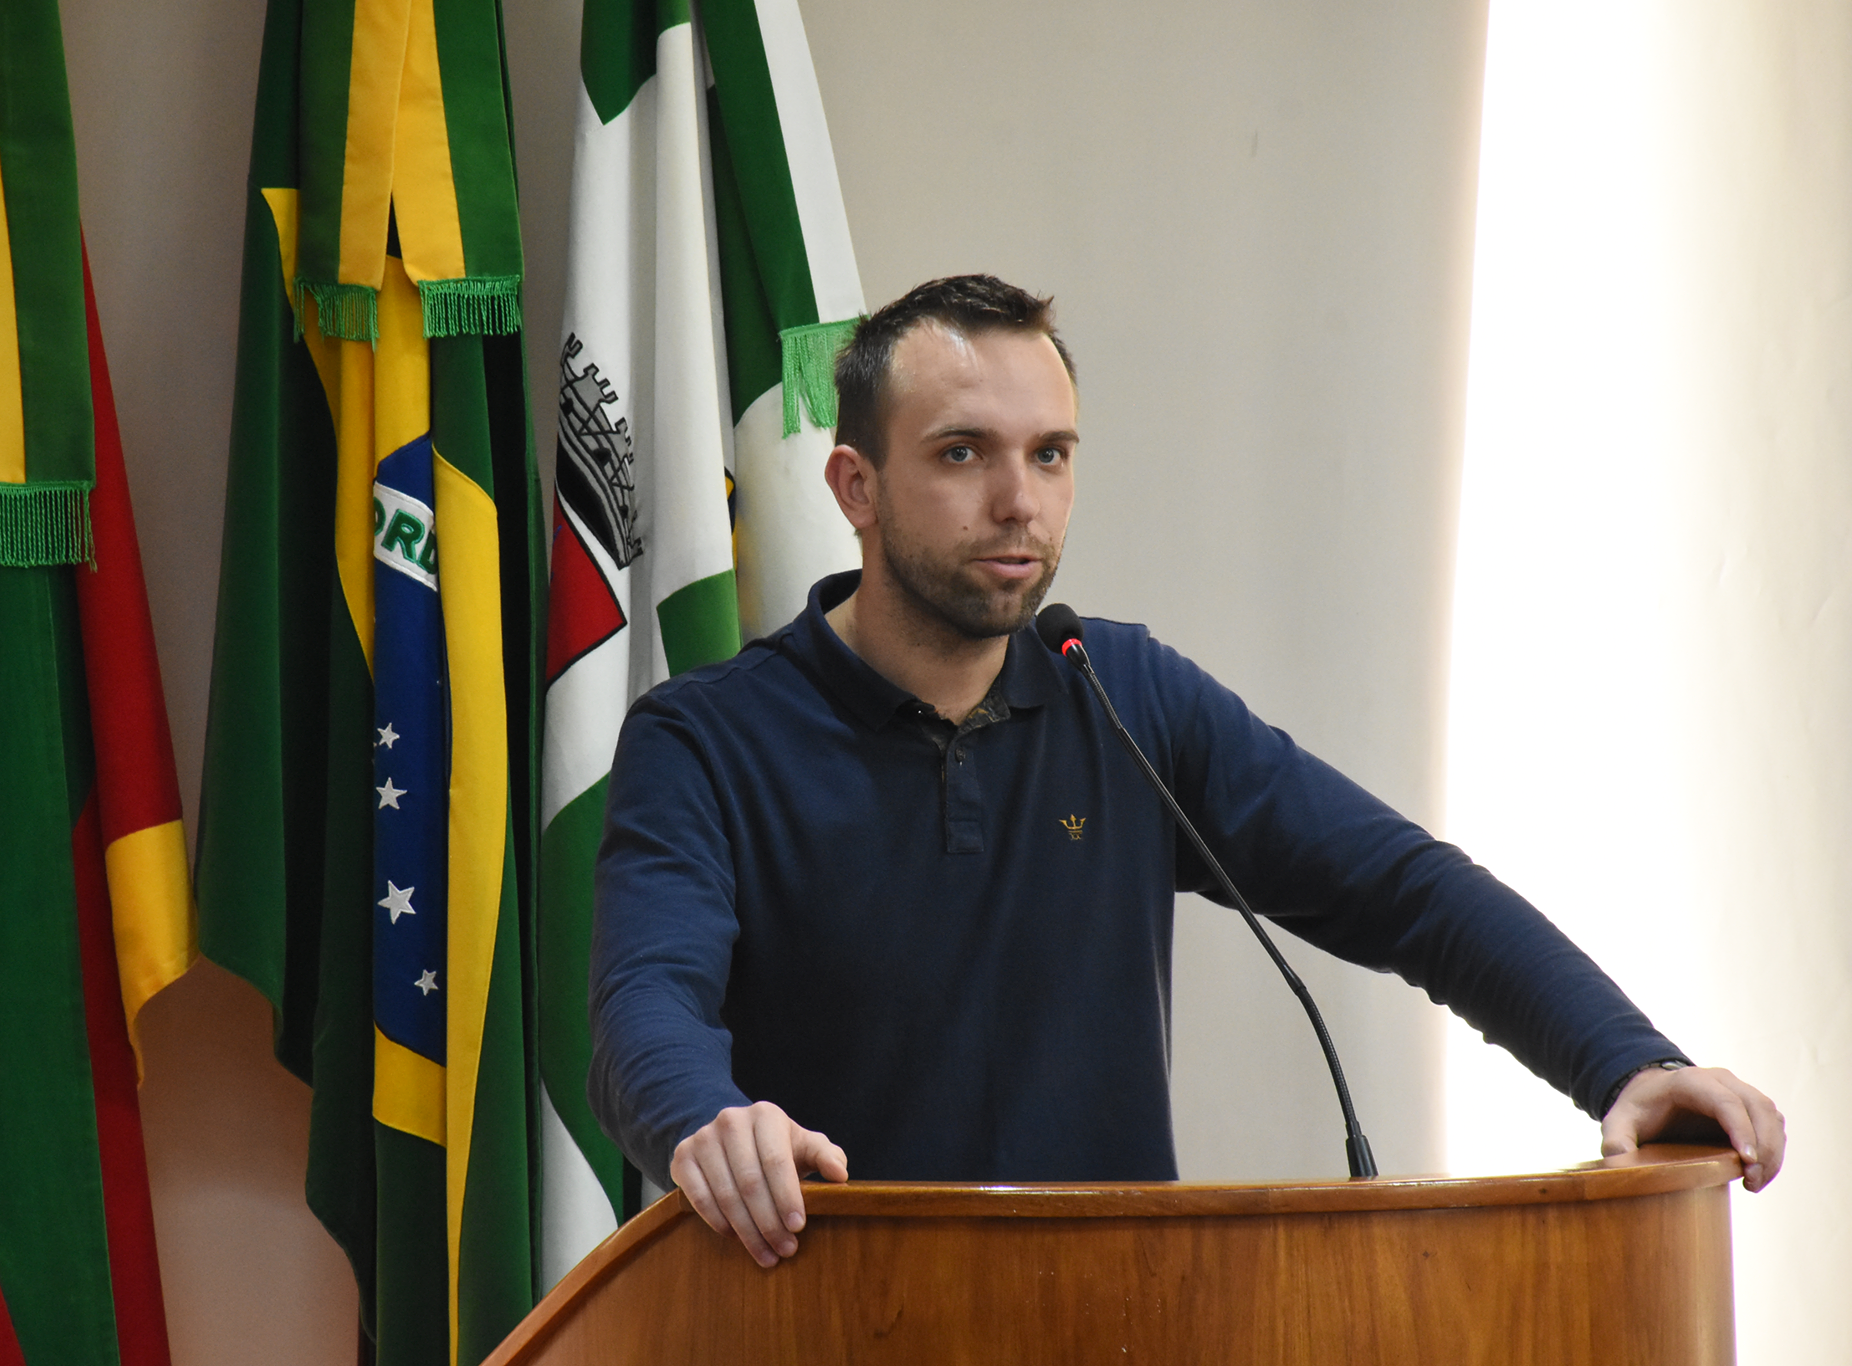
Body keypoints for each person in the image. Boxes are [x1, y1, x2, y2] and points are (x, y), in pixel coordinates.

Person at [588, 275, 1786, 1270]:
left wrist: (1627, 1059)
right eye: (961, 454)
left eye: (1049, 454)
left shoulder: (1121, 693)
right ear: (855, 487)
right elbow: (645, 1004)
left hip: (1126, 1321)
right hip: (829, 1321)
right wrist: (708, 1119)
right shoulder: (705, 738)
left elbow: (1404, 890)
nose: (1017, 502)